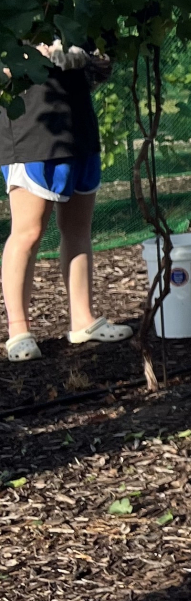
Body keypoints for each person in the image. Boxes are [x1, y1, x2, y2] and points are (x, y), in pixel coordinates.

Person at [4, 39, 131, 362]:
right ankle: (18, 331)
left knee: (78, 227)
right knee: (28, 231)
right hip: (30, 123)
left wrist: (94, 57)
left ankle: (83, 320)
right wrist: (28, 54)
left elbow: (102, 62)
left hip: (78, 120)